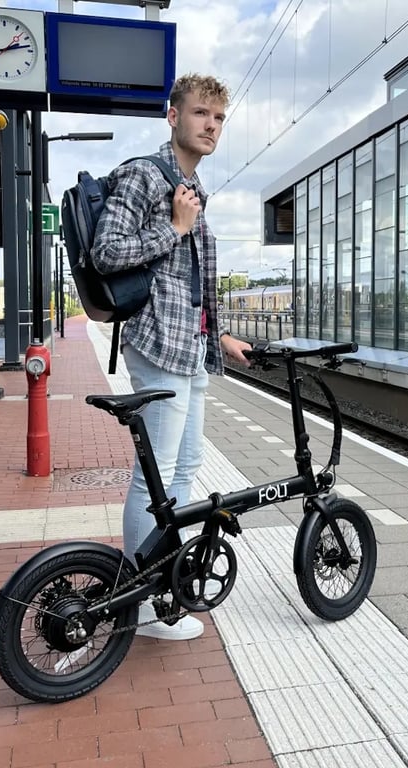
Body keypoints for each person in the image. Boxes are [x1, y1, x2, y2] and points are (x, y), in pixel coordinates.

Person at [92, 74, 251, 641]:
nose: (210, 125)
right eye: (201, 113)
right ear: (173, 116)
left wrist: (222, 336)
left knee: (183, 474)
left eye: (219, 118)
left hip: (193, 351)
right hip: (158, 346)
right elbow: (107, 252)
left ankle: (159, 589)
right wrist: (174, 226)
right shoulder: (143, 176)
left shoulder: (194, 184)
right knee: (150, 481)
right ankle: (135, 604)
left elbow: (194, 280)